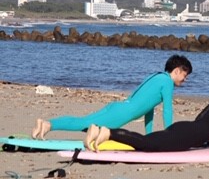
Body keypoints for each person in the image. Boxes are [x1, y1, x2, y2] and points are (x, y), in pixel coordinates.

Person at [84, 71, 209, 152]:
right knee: (145, 144)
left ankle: (102, 132)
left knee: (146, 143)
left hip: (185, 129)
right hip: (185, 135)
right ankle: (105, 132)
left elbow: (203, 118)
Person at [31, 54, 192, 140]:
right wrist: (171, 135)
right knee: (84, 125)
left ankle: (46, 124)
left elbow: (149, 110)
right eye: (184, 75)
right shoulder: (167, 83)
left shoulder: (156, 77)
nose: (185, 79)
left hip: (118, 107)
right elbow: (167, 111)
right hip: (121, 114)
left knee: (84, 121)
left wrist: (148, 137)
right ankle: (48, 125)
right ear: (177, 70)